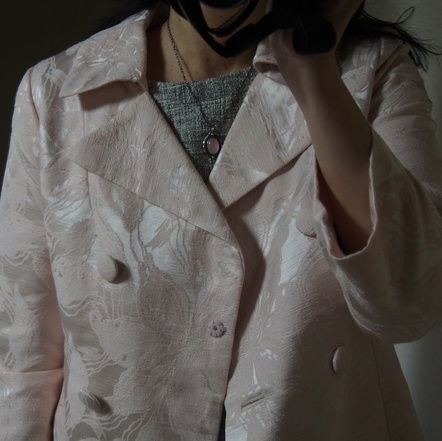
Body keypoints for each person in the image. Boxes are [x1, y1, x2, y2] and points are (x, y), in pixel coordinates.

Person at [1, 0, 442, 440]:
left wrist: (315, 73)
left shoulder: (369, 70)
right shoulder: (57, 89)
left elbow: (408, 306)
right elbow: (22, 353)